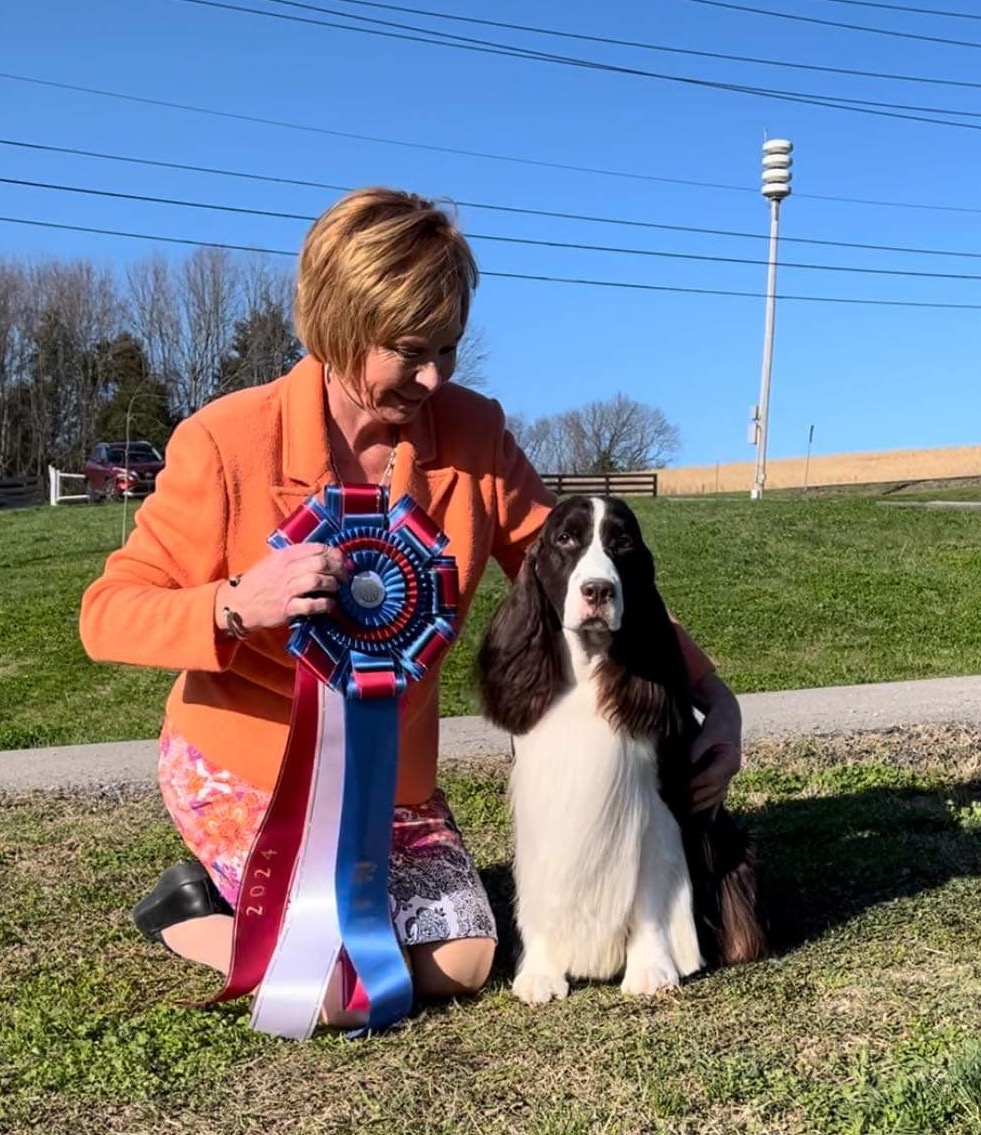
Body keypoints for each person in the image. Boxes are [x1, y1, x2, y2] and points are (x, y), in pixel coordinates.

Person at [79, 187, 743, 1018]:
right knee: (328, 985)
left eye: (449, 348)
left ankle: (286, 910)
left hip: (392, 781)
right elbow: (107, 612)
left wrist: (711, 694)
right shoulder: (223, 440)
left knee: (464, 963)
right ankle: (190, 914)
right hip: (244, 764)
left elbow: (577, 572)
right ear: (337, 326)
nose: (433, 376)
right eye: (409, 351)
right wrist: (236, 602)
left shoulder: (473, 434)